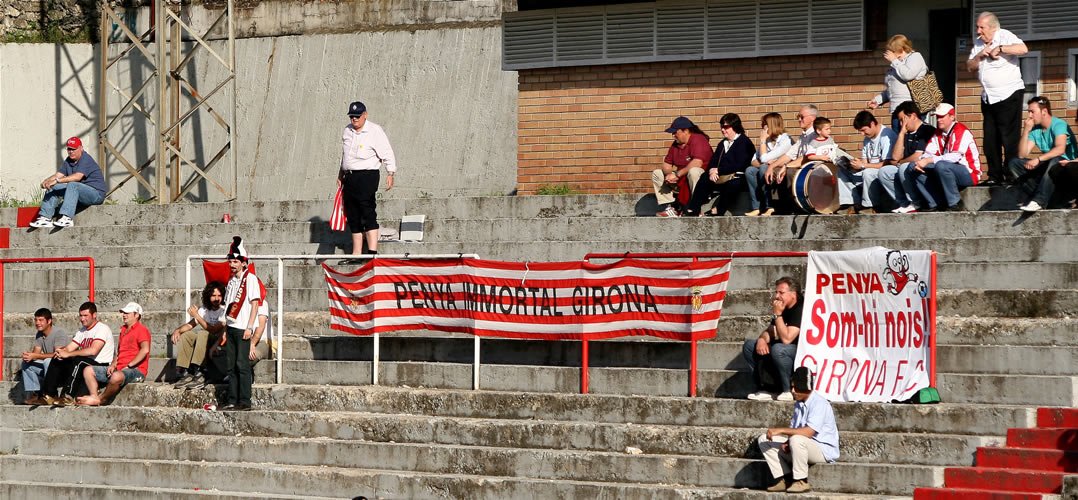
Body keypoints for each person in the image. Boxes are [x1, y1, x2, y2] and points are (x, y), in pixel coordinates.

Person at [757, 367, 840, 493]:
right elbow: (795, 429)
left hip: (823, 450)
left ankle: (801, 481)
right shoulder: (799, 403)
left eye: (796, 388)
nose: (793, 391)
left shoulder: (819, 403)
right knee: (764, 440)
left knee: (797, 439)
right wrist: (787, 441)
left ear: (806, 388)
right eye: (792, 387)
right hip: (803, 445)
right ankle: (783, 479)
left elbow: (808, 432)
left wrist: (781, 431)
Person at [968, 11, 1028, 185]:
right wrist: (980, 55)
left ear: (993, 27)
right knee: (990, 139)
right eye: (977, 27)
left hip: (1008, 94)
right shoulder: (979, 42)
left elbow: (1023, 49)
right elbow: (970, 66)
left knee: (1008, 137)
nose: (978, 31)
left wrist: (1000, 49)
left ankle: (1011, 175)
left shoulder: (1004, 35)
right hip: (989, 97)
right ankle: (994, 176)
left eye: (982, 27)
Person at [339, 101, 396, 262]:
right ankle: (356, 253)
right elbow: (345, 155)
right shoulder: (347, 131)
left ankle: (372, 251)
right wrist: (340, 173)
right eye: (352, 116)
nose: (354, 119)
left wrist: (390, 172)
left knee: (367, 210)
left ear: (365, 115)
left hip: (367, 175)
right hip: (350, 175)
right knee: (353, 213)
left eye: (357, 116)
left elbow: (386, 151)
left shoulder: (374, 130)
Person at [904, 104, 982, 211]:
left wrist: (928, 160)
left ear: (952, 117)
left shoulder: (961, 130)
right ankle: (935, 203)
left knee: (941, 166)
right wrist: (921, 161)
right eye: (937, 117)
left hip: (969, 172)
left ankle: (955, 203)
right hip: (948, 170)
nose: (938, 120)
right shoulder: (938, 133)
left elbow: (955, 157)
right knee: (913, 166)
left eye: (942, 117)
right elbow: (928, 152)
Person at [1008, 96, 1078, 212]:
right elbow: (1022, 154)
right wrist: (1026, 131)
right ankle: (1045, 199)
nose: (1029, 116)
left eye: (1032, 112)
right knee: (1015, 163)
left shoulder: (1059, 124)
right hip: (1048, 171)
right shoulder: (1036, 130)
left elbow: (1060, 149)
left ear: (1044, 111)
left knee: (1055, 159)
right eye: (1028, 112)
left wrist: (1038, 159)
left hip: (1065, 169)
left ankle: (1039, 200)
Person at [39, 301, 115, 405]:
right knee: (57, 358)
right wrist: (61, 352)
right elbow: (70, 348)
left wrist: (69, 354)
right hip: (85, 362)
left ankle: (67, 396)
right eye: (80, 315)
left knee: (78, 360)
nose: (82, 319)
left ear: (94, 315)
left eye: (85, 315)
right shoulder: (82, 331)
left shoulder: (102, 329)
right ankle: (48, 395)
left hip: (101, 365)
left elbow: (93, 350)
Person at [742, 277, 803, 401]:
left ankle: (787, 390)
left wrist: (778, 315)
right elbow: (770, 331)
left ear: (793, 294)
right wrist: (762, 340)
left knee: (779, 349)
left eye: (781, 293)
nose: (777, 296)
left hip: (800, 352)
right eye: (776, 292)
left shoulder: (800, 308)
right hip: (782, 352)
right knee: (749, 346)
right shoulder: (783, 307)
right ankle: (766, 389)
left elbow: (787, 339)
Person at [77, 303, 150, 406]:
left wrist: (129, 365)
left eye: (127, 313)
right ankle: (94, 395)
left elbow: (145, 350)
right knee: (88, 370)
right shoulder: (123, 330)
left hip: (137, 370)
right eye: (123, 313)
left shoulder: (141, 330)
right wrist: (113, 364)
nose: (124, 315)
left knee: (116, 377)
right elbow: (119, 351)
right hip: (120, 369)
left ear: (136, 315)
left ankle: (100, 399)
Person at [686, 113, 756, 216]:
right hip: (722, 177)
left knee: (733, 184)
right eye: (722, 127)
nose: (723, 129)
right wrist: (711, 171)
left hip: (738, 178)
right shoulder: (722, 144)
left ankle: (719, 209)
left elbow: (741, 164)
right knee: (705, 177)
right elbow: (713, 161)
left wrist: (719, 170)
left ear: (735, 126)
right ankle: (694, 208)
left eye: (726, 127)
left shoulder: (744, 142)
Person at [222, 236, 263, 411]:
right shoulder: (231, 281)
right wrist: (224, 329)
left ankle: (245, 401)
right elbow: (227, 307)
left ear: (243, 263)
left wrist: (250, 327)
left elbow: (255, 303)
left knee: (242, 365)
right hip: (231, 326)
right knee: (231, 366)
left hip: (243, 329)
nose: (232, 264)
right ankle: (232, 399)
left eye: (235, 261)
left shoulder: (251, 279)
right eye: (230, 261)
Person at [29, 136, 107, 228]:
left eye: (74, 149)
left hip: (96, 195)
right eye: (69, 149)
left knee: (73, 184)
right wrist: (47, 181)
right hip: (79, 192)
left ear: (81, 148)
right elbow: (58, 175)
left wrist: (57, 181)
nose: (71, 151)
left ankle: (67, 218)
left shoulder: (86, 159)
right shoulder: (69, 160)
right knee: (53, 187)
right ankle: (45, 218)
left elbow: (77, 177)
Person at [836, 111, 897, 214]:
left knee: (868, 172)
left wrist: (863, 165)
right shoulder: (867, 139)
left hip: (883, 173)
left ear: (872, 124)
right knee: (841, 171)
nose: (862, 134)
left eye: (864, 130)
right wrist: (855, 165)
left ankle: (870, 206)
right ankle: (850, 203)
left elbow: (888, 163)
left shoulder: (886, 136)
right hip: (868, 172)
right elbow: (864, 161)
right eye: (860, 131)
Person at [170, 281, 227, 389]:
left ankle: (199, 370)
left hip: (218, 341)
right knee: (187, 334)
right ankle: (184, 371)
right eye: (213, 295)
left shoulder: (224, 310)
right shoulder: (204, 309)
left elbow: (214, 330)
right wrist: (178, 330)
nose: (216, 298)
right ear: (208, 296)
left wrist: (197, 315)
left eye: (219, 295)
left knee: (203, 333)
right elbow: (190, 325)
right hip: (204, 340)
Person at [653, 116, 712, 217]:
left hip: (701, 181)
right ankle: (671, 205)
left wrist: (677, 174)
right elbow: (666, 164)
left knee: (694, 171)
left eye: (675, 132)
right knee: (657, 173)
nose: (673, 135)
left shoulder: (698, 139)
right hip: (681, 179)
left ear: (686, 131)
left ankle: (695, 206)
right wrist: (669, 174)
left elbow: (698, 163)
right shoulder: (676, 145)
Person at [867, 34, 928, 130]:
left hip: (911, 110)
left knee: (909, 140)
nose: (890, 54)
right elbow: (894, 89)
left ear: (901, 49)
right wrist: (878, 100)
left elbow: (908, 75)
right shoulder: (897, 64)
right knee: (898, 140)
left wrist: (895, 61)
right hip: (897, 110)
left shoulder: (915, 57)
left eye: (892, 51)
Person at [889, 101, 938, 213]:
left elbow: (917, 156)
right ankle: (904, 203)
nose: (901, 124)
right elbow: (896, 157)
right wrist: (901, 133)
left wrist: (899, 163)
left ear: (913, 116)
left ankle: (916, 202)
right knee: (885, 172)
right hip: (906, 166)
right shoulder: (905, 132)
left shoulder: (926, 130)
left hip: (924, 168)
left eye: (903, 120)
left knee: (902, 167)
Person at [19, 308, 70, 405]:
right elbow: (36, 353)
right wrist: (29, 356)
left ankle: (51, 394)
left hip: (62, 370)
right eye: (36, 320)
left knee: (48, 361)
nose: (37, 323)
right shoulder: (39, 334)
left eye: (41, 320)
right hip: (48, 368)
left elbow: (58, 354)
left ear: (49, 321)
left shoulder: (59, 333)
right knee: (26, 363)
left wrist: (35, 355)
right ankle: (36, 394)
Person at [746, 113, 793, 216]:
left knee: (763, 168)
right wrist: (767, 161)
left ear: (770, 125)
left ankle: (769, 206)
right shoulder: (768, 140)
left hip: (782, 171)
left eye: (764, 124)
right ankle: (757, 207)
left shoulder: (786, 140)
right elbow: (753, 161)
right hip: (769, 168)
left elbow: (763, 158)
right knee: (750, 170)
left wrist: (762, 141)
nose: (762, 127)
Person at [771, 105, 819, 171]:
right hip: (800, 168)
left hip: (809, 171)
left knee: (788, 172)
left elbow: (806, 158)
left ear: (812, 118)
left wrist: (786, 166)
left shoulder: (816, 135)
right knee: (763, 169)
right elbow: (789, 154)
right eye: (798, 117)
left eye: (802, 117)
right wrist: (772, 166)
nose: (799, 119)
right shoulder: (803, 136)